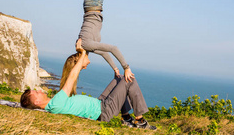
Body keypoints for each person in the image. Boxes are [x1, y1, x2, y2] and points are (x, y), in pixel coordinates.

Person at [20, 47, 156, 130]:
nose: (38, 90)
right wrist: (83, 52)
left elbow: (69, 78)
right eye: (35, 93)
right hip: (104, 111)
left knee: (120, 79)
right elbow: (72, 77)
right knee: (129, 80)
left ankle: (126, 118)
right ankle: (140, 121)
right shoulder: (56, 103)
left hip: (100, 104)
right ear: (36, 102)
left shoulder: (54, 103)